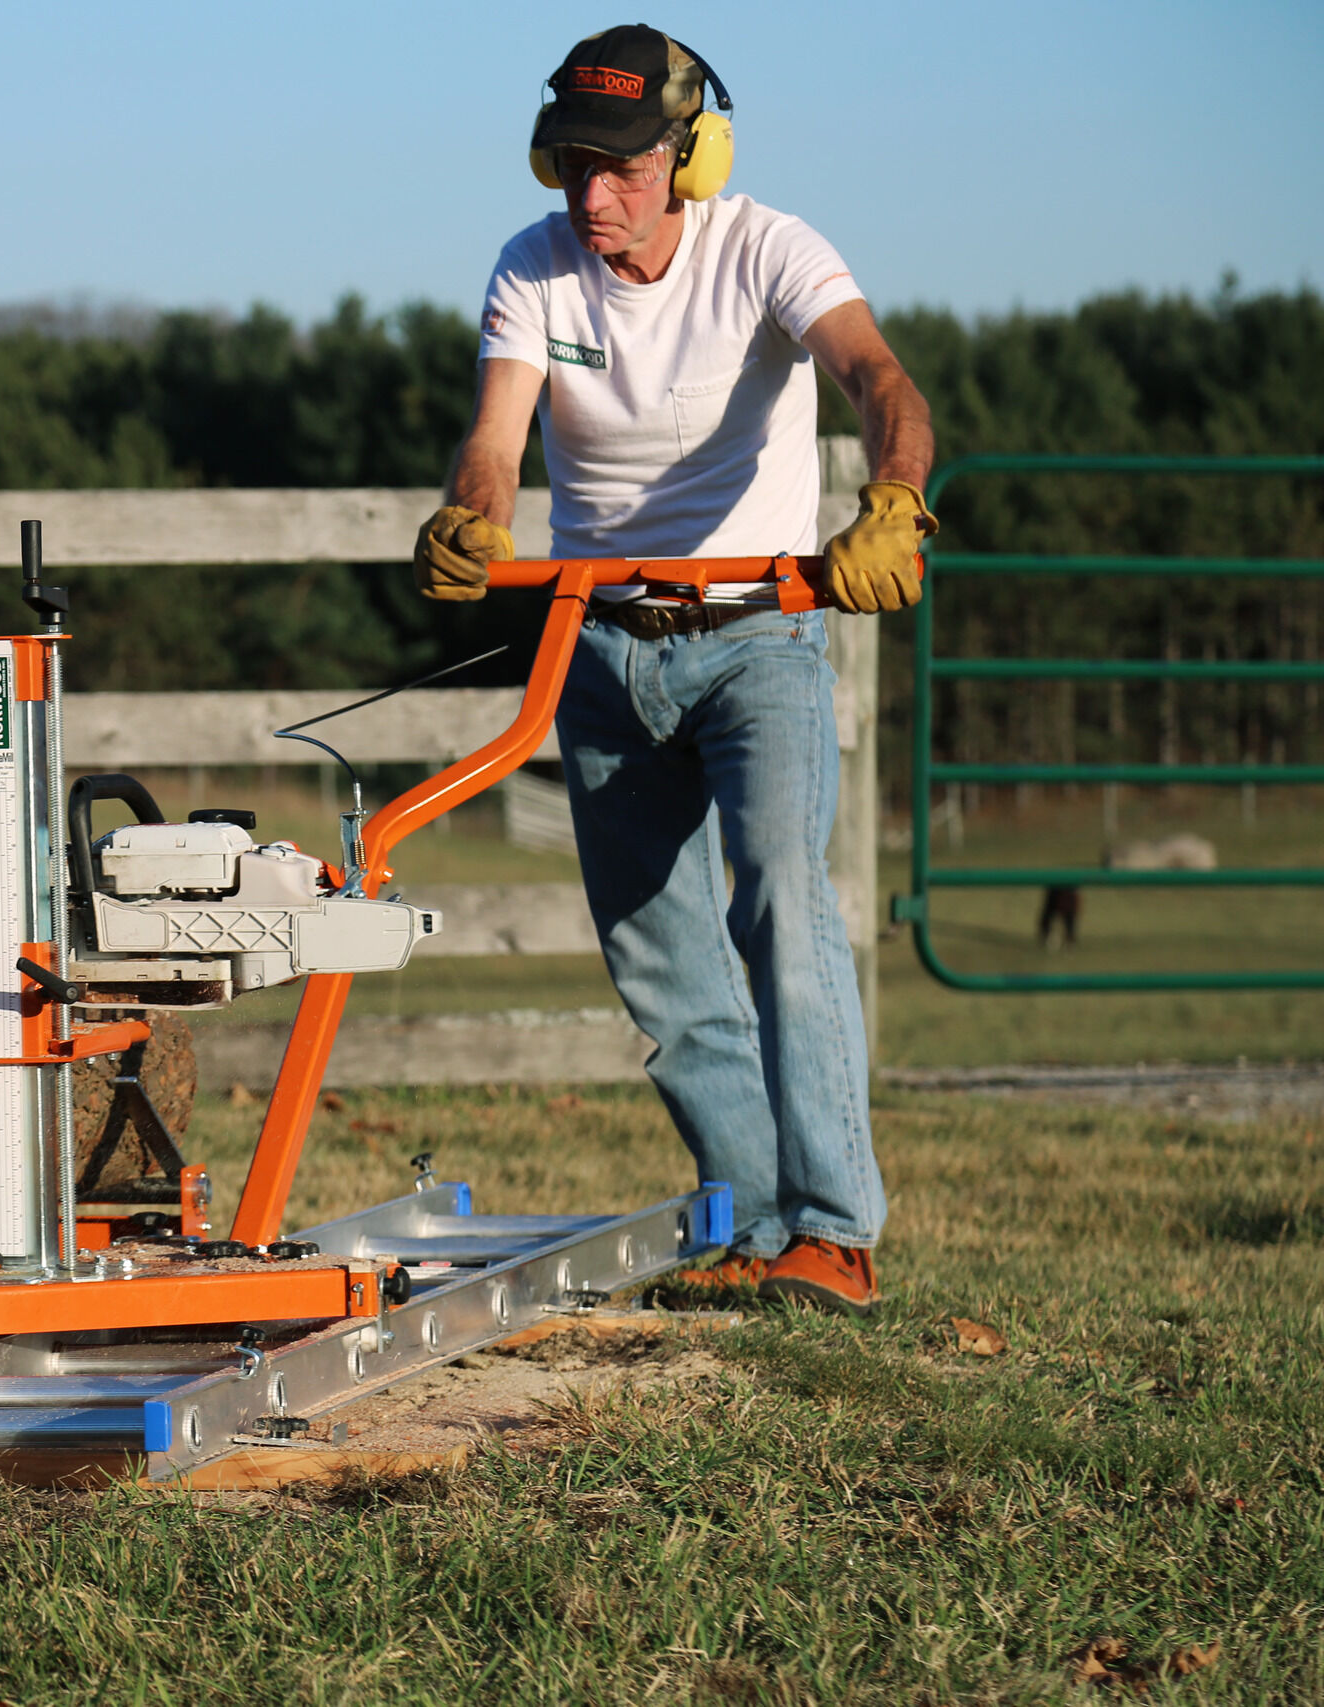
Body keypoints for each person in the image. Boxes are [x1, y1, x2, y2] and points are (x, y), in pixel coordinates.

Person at [412, 24, 936, 1316]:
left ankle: (836, 1232)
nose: (593, 196)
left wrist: (895, 500)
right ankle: (751, 1224)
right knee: (658, 954)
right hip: (600, 646)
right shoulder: (533, 268)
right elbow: (496, 437)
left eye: (624, 168)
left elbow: (880, 380)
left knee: (782, 901)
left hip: (761, 635)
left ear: (691, 158)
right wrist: (474, 516)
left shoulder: (768, 249)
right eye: (574, 166)